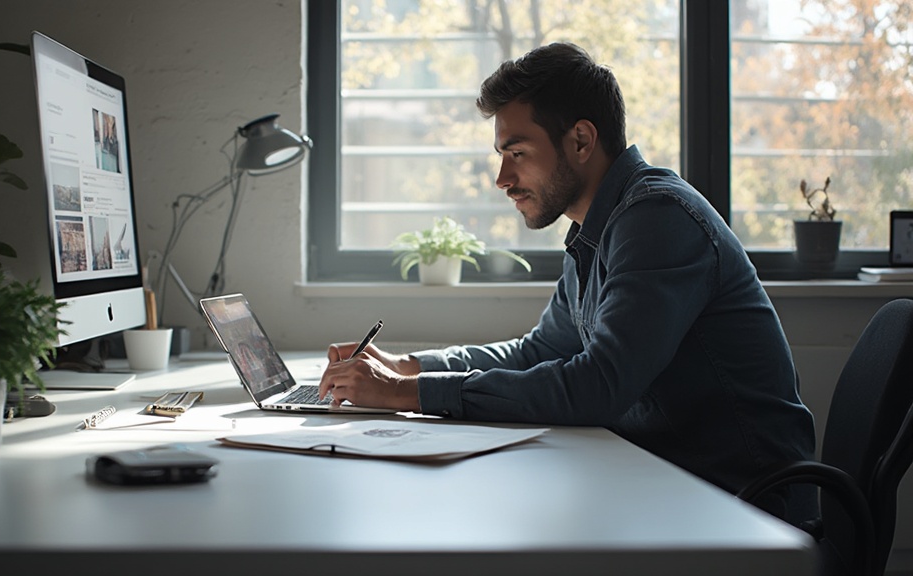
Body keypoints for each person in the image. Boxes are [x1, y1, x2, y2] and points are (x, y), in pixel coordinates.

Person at [318, 42, 816, 525]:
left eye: (517, 153)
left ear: (581, 140)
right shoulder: (595, 230)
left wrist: (408, 394)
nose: (502, 178)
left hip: (742, 509)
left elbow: (598, 386)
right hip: (667, 484)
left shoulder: (657, 218)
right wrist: (406, 367)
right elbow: (539, 352)